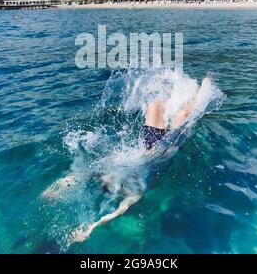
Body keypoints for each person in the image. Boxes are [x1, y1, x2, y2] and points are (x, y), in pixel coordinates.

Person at [69, 79, 209, 244]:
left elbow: (85, 174)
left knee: (154, 106)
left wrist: (62, 184)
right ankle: (201, 94)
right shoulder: (135, 193)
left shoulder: (115, 172)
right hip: (169, 149)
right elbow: (115, 214)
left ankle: (180, 96)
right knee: (182, 116)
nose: (110, 175)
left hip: (149, 147)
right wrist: (91, 228)